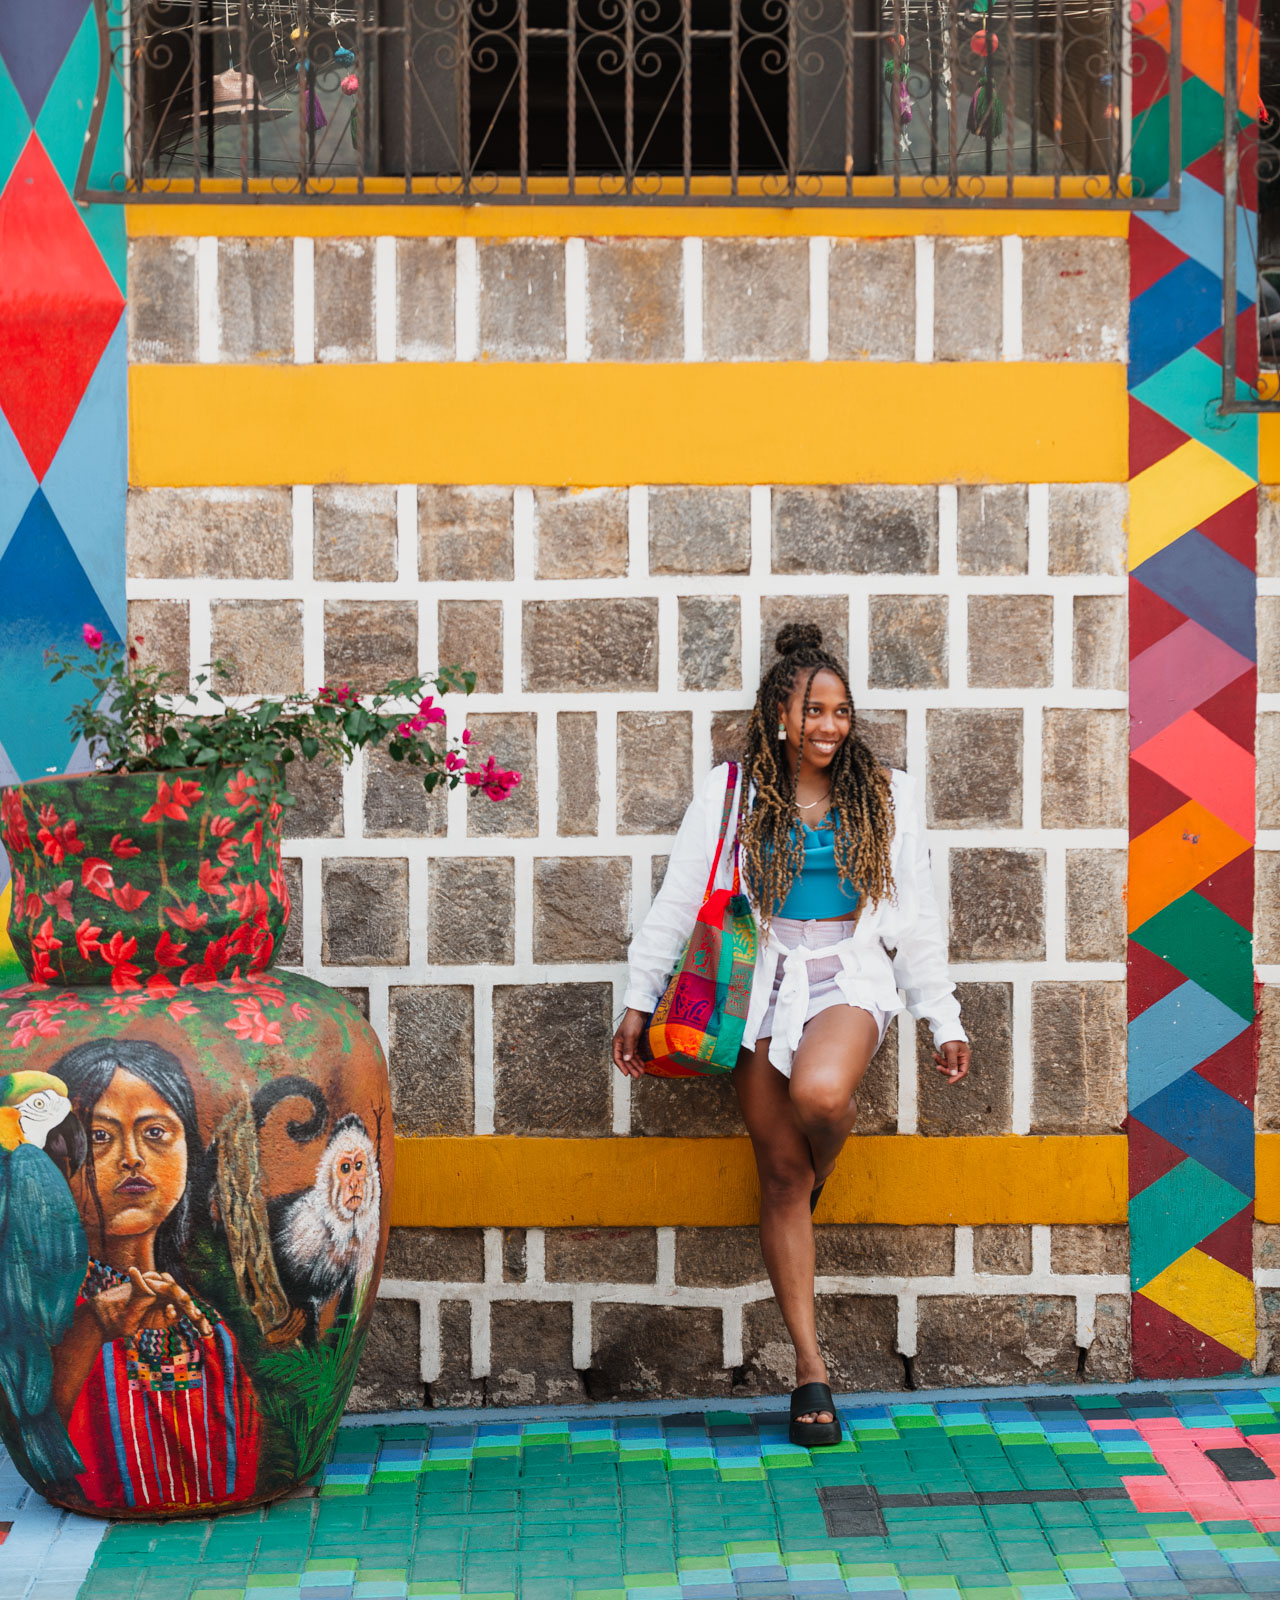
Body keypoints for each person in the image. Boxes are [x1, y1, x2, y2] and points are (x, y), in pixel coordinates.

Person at [612, 622, 971, 1446]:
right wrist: (640, 998)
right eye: (815, 710)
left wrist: (939, 1014)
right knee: (776, 1174)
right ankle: (812, 1372)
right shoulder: (732, 792)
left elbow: (914, 915)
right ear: (780, 714)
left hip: (848, 972)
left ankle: (821, 1173)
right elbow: (676, 900)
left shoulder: (886, 792)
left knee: (820, 1094)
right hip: (759, 981)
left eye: (841, 711)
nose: (830, 726)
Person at [48, 1038, 261, 1513]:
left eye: (156, 1133)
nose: (132, 1158)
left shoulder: (206, 1325)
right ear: (59, 1159)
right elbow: (37, 1429)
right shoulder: (49, 1307)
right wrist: (92, 1330)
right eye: (100, 1136)